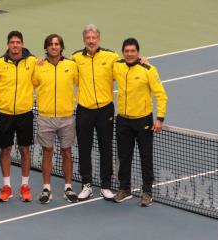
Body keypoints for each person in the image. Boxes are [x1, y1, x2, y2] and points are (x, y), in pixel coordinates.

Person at [112, 38, 168, 207]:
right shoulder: (117, 66)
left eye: (132, 51)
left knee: (146, 158)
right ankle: (125, 189)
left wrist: (160, 118)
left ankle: (147, 192)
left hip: (143, 121)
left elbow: (161, 95)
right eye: (126, 51)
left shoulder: (148, 69)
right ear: (123, 52)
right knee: (124, 157)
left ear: (138, 52)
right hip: (123, 120)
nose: (129, 54)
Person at [71, 24, 118, 201]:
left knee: (106, 148)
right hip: (84, 110)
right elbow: (63, 71)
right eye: (88, 38)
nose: (91, 41)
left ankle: (105, 186)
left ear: (99, 39)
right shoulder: (75, 58)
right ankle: (87, 185)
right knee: (84, 148)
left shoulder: (111, 57)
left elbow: (125, 70)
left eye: (94, 38)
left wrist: (141, 62)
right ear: (84, 40)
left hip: (105, 109)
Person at [32, 34, 79, 204]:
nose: (54, 47)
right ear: (46, 47)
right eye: (51, 44)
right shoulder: (38, 66)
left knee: (67, 152)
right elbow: (30, 83)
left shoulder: (71, 65)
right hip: (45, 117)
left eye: (57, 44)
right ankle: (46, 188)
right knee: (47, 152)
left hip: (66, 117)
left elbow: (81, 83)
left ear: (61, 47)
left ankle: (68, 188)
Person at [0, 31, 37, 202]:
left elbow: (38, 79)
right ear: (8, 45)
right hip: (5, 114)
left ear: (22, 43)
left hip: (25, 113)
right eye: (12, 42)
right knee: (5, 150)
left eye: (18, 42)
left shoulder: (32, 62)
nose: (15, 45)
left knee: (25, 150)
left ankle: (25, 186)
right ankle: (7, 187)